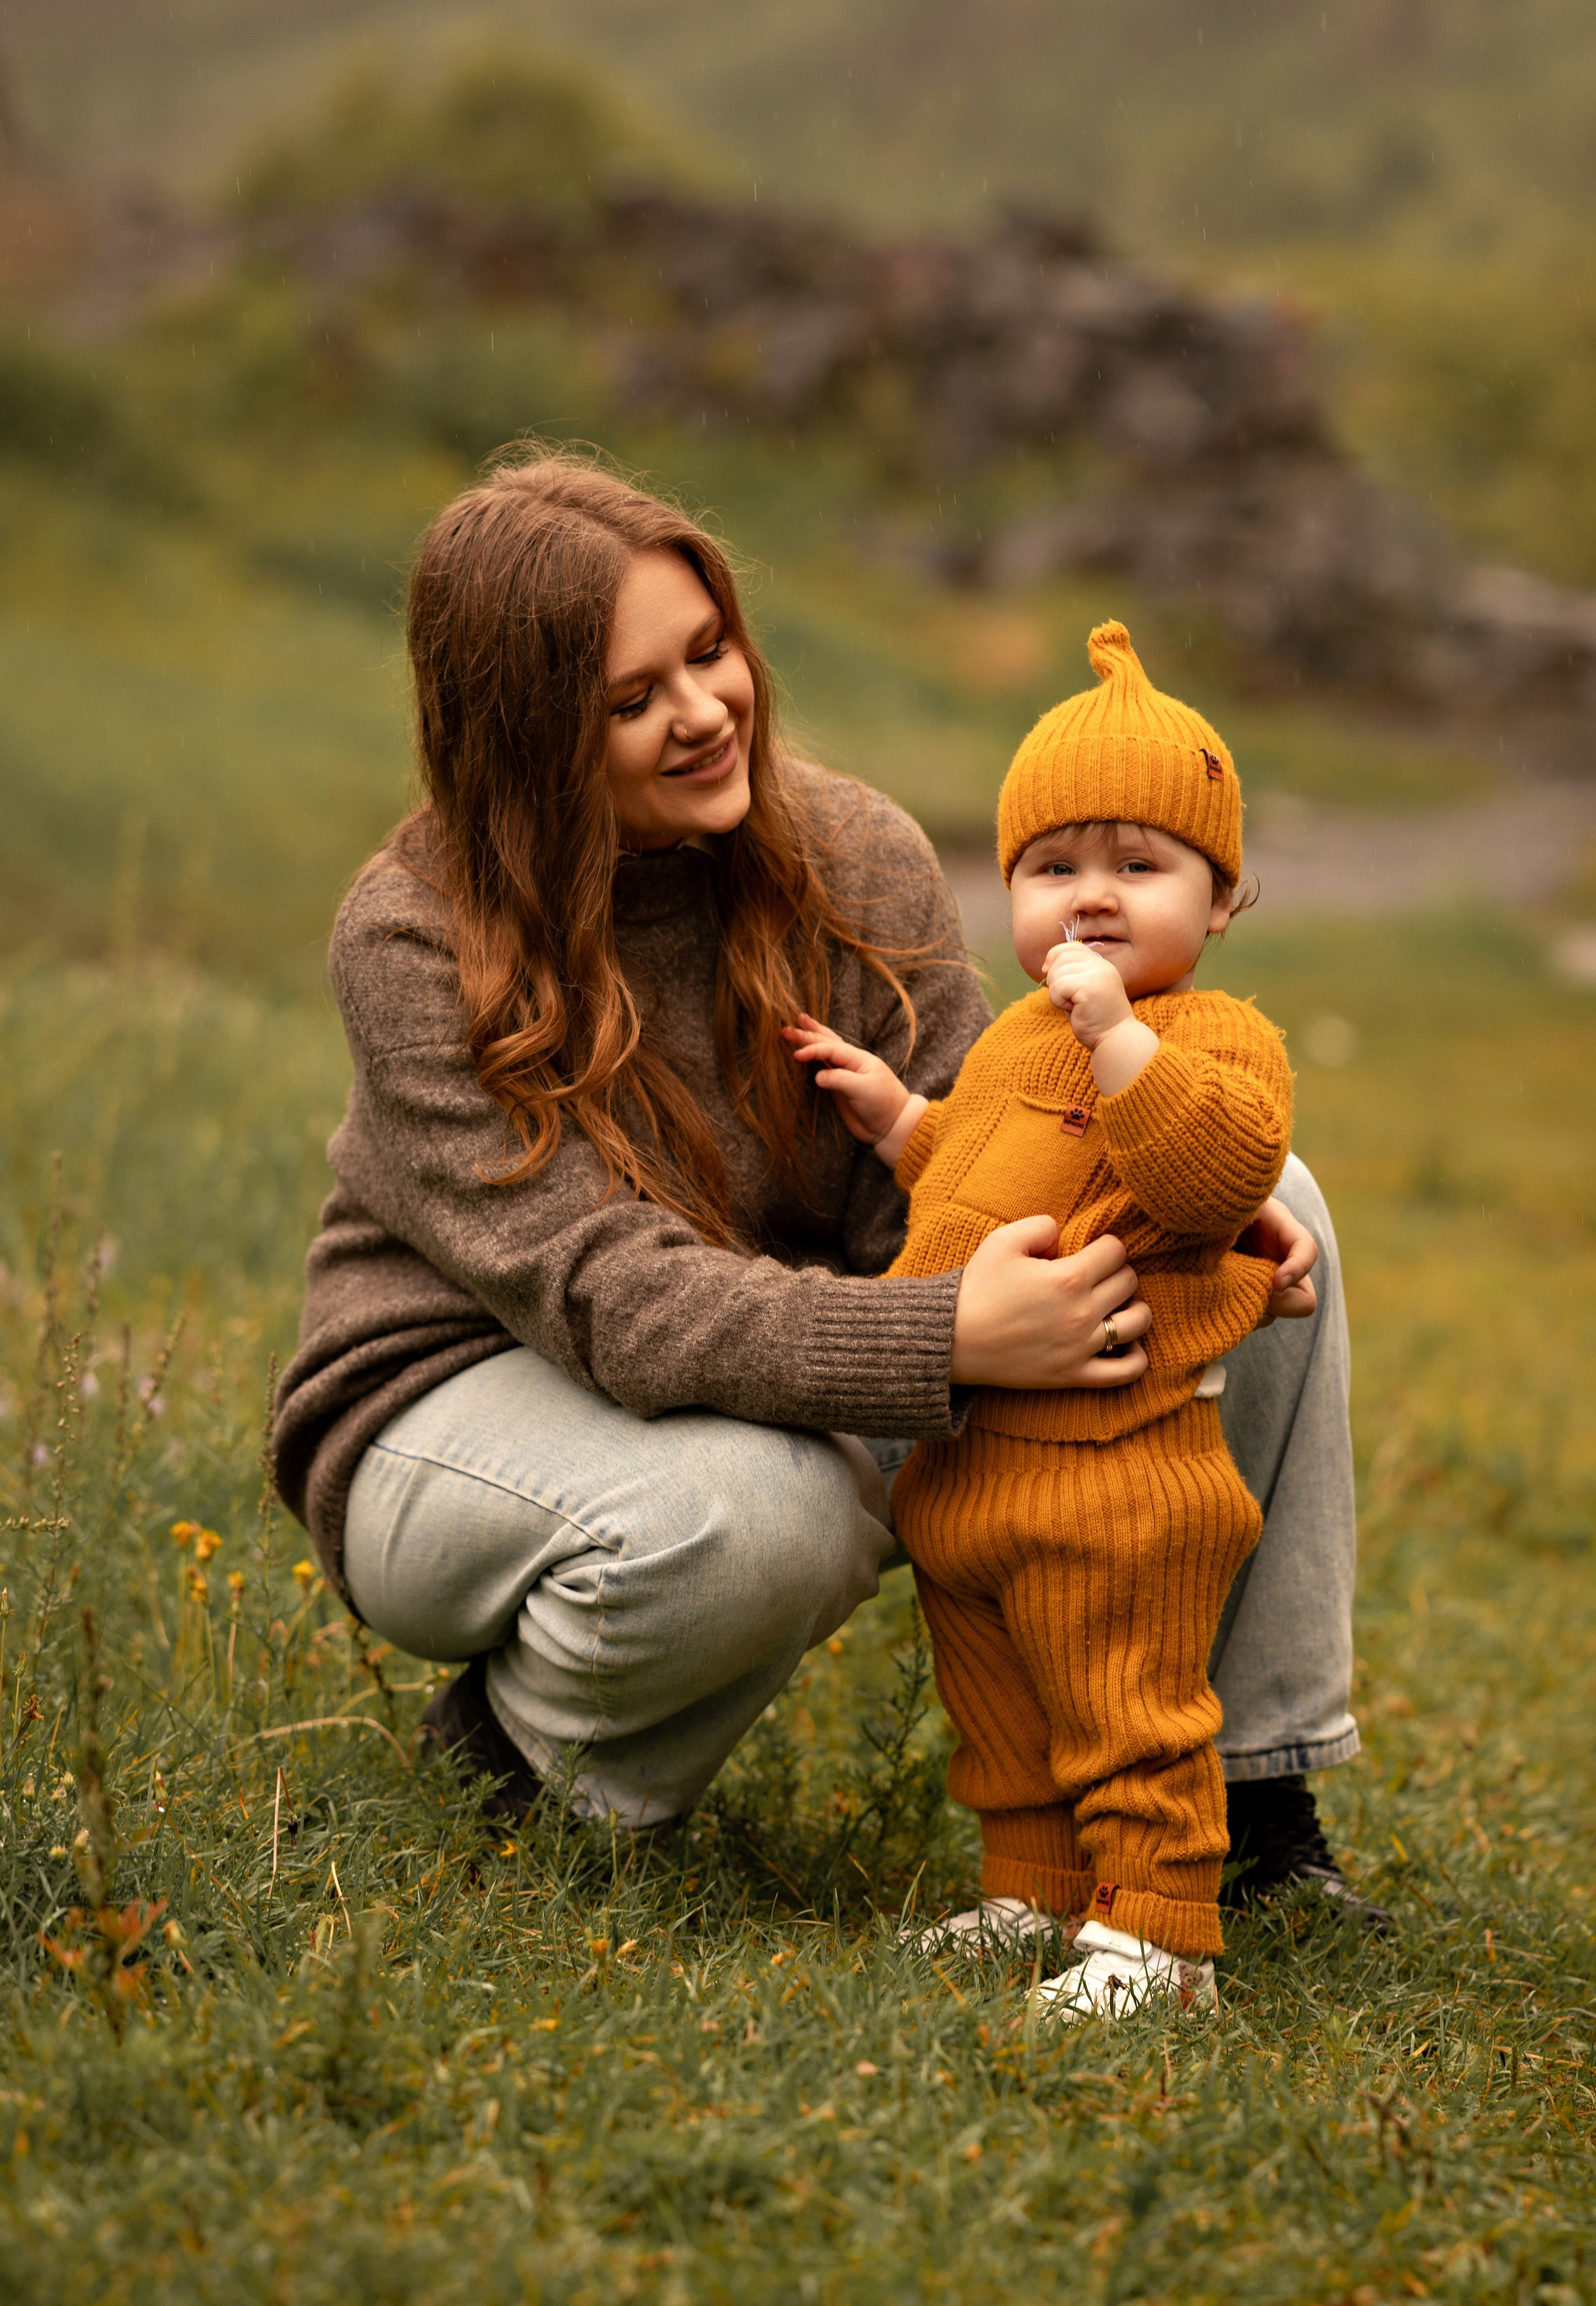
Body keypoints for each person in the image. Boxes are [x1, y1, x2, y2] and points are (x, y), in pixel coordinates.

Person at [270, 452, 1363, 1928]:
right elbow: (607, 1294)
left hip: (793, 1347)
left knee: (1263, 1185)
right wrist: (947, 1340)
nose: (705, 710)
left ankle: (1247, 1802)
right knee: (759, 1510)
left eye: (709, 651)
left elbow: (982, 1173)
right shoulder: (412, 936)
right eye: (629, 697)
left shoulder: (852, 852)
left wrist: (1189, 1225)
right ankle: (524, 1761)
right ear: (527, 735)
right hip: (463, 1395)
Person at [785, 622, 1304, 2017]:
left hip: (1113, 1471)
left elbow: (1213, 1169)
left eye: (1142, 866)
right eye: (1054, 868)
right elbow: (980, 1164)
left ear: (1221, 895)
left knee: (1127, 1704)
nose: (1093, 900)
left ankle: (1163, 1934)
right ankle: (1032, 1893)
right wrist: (900, 1120)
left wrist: (1118, 1037)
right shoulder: (1018, 1036)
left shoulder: (1211, 1039)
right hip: (972, 1467)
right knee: (1006, 1717)